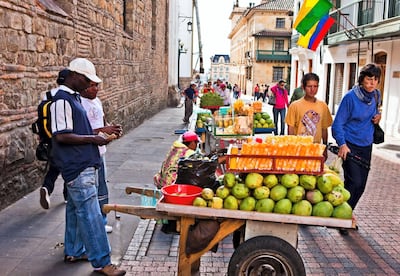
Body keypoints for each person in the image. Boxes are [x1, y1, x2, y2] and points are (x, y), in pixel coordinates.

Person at [50, 57, 126, 276]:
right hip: (78, 166)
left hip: (82, 163)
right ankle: (103, 262)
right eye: (87, 80)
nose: (89, 85)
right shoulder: (62, 100)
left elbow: (78, 130)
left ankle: (74, 250)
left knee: (75, 210)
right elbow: (62, 136)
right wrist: (95, 140)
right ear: (75, 76)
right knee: (92, 215)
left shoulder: (72, 98)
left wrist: (101, 132)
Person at [332, 63, 382, 235]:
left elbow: (375, 112)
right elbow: (337, 124)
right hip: (350, 145)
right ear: (361, 80)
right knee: (354, 182)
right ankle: (343, 218)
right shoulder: (350, 98)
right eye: (369, 79)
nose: (372, 83)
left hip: (366, 145)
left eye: (375, 80)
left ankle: (346, 212)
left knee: (361, 186)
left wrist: (378, 117)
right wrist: (342, 144)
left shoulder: (376, 95)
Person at [80, 81, 123, 234]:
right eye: (92, 85)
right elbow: (81, 131)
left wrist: (112, 130)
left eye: (97, 85)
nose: (96, 89)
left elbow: (103, 122)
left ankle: (102, 220)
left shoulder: (96, 101)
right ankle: (95, 223)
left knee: (102, 189)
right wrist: (103, 130)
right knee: (93, 189)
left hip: (100, 151)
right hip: (88, 154)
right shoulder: (80, 104)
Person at [39, 69, 69, 209]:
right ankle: (67, 195)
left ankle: (46, 187)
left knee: (55, 165)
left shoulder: (47, 95)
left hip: (50, 138)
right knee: (68, 166)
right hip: (65, 136)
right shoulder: (68, 97)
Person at [285, 73, 333, 160]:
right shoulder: (295, 105)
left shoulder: (323, 106)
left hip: (315, 150)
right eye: (309, 86)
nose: (312, 89)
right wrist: (291, 148)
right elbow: (290, 128)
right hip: (299, 149)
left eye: (315, 86)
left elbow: (324, 128)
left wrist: (325, 147)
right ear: (303, 87)